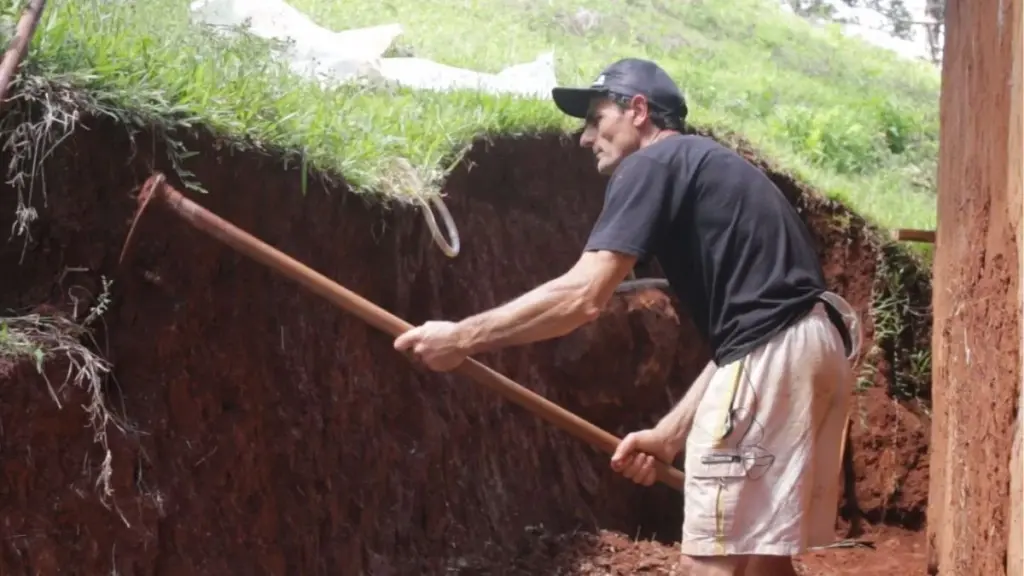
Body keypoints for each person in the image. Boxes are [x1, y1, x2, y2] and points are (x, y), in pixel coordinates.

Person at [393, 57, 861, 576]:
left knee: (711, 564)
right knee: (761, 562)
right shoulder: (707, 169)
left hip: (773, 359)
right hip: (815, 351)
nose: (585, 137)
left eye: (597, 118)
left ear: (638, 110)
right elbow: (745, 338)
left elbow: (584, 296)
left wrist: (460, 337)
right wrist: (670, 433)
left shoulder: (652, 164)